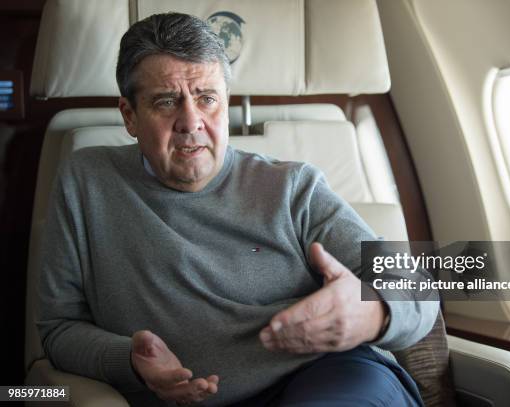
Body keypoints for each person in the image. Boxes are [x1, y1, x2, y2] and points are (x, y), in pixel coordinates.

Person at [37, 12, 439, 406]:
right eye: (165, 102)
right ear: (129, 115)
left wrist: (372, 314)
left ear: (224, 104)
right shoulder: (85, 181)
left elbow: (416, 284)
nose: (191, 122)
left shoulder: (293, 187)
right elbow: (59, 329)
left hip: (327, 375)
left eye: (207, 99)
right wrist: (129, 360)